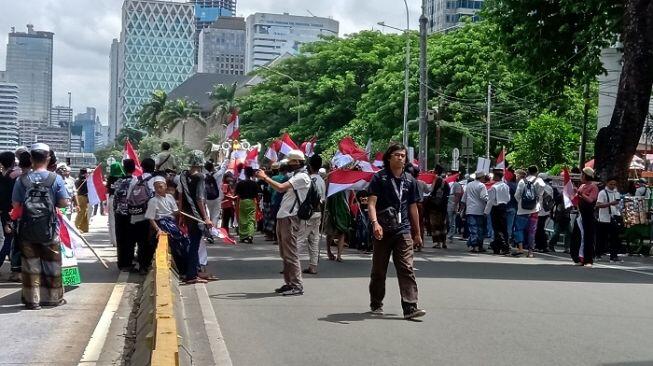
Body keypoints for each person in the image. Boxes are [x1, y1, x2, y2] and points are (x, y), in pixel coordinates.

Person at [367, 143, 425, 320]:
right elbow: (371, 203)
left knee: (406, 267)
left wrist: (417, 232)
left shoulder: (410, 181)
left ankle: (410, 306)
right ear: (389, 157)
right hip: (383, 230)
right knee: (379, 270)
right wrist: (375, 223)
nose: (400, 158)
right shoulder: (380, 178)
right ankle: (376, 302)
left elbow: (413, 207)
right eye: (397, 155)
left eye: (403, 155)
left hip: (403, 230)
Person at [12, 143, 70, 310]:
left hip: (27, 229)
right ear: (48, 158)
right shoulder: (55, 179)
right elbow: (63, 202)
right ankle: (52, 298)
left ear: (31, 159)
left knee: (30, 265)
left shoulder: (21, 180)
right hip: (49, 228)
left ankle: (32, 300)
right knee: (52, 263)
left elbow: (16, 205)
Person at [256, 149, 310, 296]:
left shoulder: (302, 177)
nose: (289, 165)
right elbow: (280, 188)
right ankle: (289, 282)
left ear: (298, 162)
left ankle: (297, 285)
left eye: (292, 162)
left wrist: (265, 177)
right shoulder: (295, 176)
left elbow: (280, 188)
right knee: (284, 253)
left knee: (291, 253)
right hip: (284, 216)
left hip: (291, 217)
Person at [177, 151, 213, 284]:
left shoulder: (183, 175)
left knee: (193, 243)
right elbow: (200, 199)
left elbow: (180, 194)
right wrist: (206, 218)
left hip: (187, 214)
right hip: (197, 215)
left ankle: (195, 271)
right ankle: (191, 275)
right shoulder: (200, 177)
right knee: (195, 244)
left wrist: (181, 212)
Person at [145, 176, 191, 277]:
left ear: (165, 186)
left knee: (185, 242)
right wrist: (158, 229)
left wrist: (180, 211)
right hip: (162, 224)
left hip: (172, 223)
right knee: (176, 246)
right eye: (156, 187)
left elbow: (174, 212)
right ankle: (182, 271)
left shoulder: (170, 197)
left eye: (161, 186)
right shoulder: (153, 201)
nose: (158, 189)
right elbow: (151, 218)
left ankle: (188, 270)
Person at [298, 154, 326, 275]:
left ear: (309, 165)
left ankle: (293, 266)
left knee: (299, 239)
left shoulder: (307, 179)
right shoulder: (322, 181)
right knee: (314, 240)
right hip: (318, 212)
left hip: (308, 213)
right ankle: (313, 266)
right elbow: (323, 199)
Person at [127, 158, 156, 274]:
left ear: (142, 167)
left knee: (140, 241)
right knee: (149, 241)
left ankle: (141, 265)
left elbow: (129, 197)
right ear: (153, 167)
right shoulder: (155, 180)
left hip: (136, 215)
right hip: (150, 217)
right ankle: (147, 264)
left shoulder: (135, 180)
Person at [513, 166, 545, 258]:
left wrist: (521, 202)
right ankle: (530, 251)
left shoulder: (522, 181)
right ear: (537, 172)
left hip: (522, 210)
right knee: (532, 231)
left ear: (528, 171)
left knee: (519, 229)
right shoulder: (540, 181)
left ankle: (520, 248)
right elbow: (541, 194)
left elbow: (517, 195)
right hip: (534, 210)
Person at [0, 151, 21, 282]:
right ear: (13, 162)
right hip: (10, 213)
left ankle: (14, 268)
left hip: (3, 212)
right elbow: (12, 198)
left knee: (7, 240)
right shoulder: (13, 178)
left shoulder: (3, 177)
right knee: (9, 240)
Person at [113, 159, 136, 271]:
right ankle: (128, 263)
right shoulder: (136, 181)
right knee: (130, 239)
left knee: (120, 238)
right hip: (131, 214)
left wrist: (116, 211)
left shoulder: (118, 182)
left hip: (119, 214)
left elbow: (115, 200)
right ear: (134, 168)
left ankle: (121, 263)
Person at [572, 167, 598, 267]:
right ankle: (578, 258)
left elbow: (591, 200)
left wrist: (580, 193)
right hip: (580, 214)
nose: (581, 177)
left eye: (582, 175)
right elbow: (577, 198)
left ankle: (588, 260)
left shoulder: (593, 187)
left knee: (588, 237)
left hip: (588, 215)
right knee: (577, 236)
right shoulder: (582, 186)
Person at [596, 176, 622, 263]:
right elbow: (598, 205)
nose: (612, 186)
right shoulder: (602, 193)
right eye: (611, 184)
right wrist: (610, 203)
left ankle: (614, 256)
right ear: (607, 183)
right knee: (601, 237)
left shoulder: (616, 193)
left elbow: (618, 204)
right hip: (604, 218)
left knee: (615, 237)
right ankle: (598, 253)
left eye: (614, 184)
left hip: (613, 217)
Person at [461, 171, 488, 253]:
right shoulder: (481, 185)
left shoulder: (469, 185)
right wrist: (490, 202)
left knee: (473, 228)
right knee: (480, 228)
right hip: (480, 209)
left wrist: (462, 208)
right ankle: (478, 245)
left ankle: (474, 245)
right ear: (482, 177)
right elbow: (484, 197)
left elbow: (464, 198)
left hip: (470, 210)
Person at [485, 170, 510, 255]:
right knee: (504, 227)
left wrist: (486, 211)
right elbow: (508, 198)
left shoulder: (494, 187)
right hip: (504, 207)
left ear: (497, 177)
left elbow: (490, 200)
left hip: (496, 207)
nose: (493, 178)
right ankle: (501, 245)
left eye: (494, 176)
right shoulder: (506, 186)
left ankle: (502, 246)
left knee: (497, 228)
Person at [425, 169, 450, 249]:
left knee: (434, 225)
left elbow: (430, 191)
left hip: (433, 207)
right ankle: (444, 242)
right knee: (443, 225)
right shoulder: (445, 183)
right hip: (442, 207)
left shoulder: (434, 182)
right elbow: (447, 194)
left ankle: (437, 243)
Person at [234, 167, 260, 243]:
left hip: (242, 201)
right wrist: (258, 203)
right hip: (251, 201)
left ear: (244, 173)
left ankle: (243, 236)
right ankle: (250, 235)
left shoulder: (240, 183)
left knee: (242, 219)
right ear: (252, 174)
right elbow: (257, 195)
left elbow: (236, 193)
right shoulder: (254, 183)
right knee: (251, 219)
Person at [205, 160, 227, 231]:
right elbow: (224, 166)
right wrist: (228, 154)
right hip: (217, 197)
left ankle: (209, 229)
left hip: (207, 198)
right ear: (212, 167)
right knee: (215, 215)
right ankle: (212, 231)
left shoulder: (205, 176)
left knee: (209, 214)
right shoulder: (219, 174)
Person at [535, 173, 554, 252]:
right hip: (546, 211)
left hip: (539, 210)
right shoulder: (550, 188)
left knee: (539, 229)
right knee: (541, 228)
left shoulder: (539, 186)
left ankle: (542, 245)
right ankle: (541, 245)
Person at [106, 162, 124, 247]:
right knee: (122, 221)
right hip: (122, 200)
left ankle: (114, 241)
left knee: (112, 221)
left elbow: (107, 189)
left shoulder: (110, 178)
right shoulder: (124, 178)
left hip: (112, 199)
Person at [446, 172, 463, 243]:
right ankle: (448, 234)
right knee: (448, 220)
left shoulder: (456, 184)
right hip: (448, 202)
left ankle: (450, 236)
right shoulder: (447, 183)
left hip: (452, 203)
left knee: (452, 221)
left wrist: (455, 206)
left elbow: (458, 195)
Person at [505, 168, 519, 246]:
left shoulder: (505, 185)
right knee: (510, 226)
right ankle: (508, 241)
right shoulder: (516, 186)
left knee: (502, 225)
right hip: (513, 207)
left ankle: (503, 240)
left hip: (504, 207)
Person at [75, 168, 89, 233]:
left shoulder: (78, 179)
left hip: (81, 196)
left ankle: (84, 227)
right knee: (81, 212)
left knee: (84, 212)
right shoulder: (83, 180)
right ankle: (76, 226)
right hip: (82, 196)